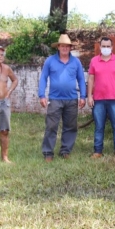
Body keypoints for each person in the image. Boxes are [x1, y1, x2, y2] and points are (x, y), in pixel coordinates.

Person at [39, 34, 87, 162]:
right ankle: (48, 152)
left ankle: (65, 150)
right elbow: (43, 78)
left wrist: (83, 96)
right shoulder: (50, 60)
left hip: (71, 99)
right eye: (62, 46)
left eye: (67, 46)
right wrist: (41, 95)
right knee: (51, 126)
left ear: (70, 48)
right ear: (58, 47)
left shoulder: (76, 62)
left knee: (70, 126)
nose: (65, 48)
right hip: (54, 99)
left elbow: (81, 79)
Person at [88, 37, 115, 159]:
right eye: (103, 46)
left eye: (108, 46)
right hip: (98, 99)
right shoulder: (94, 61)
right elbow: (91, 79)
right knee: (99, 126)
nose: (106, 48)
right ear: (100, 47)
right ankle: (97, 151)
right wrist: (89, 96)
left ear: (112, 47)